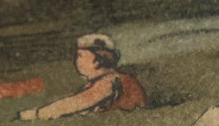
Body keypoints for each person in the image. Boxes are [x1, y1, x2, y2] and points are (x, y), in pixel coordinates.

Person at [19, 34, 147, 120]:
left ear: (97, 59)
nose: (76, 61)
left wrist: (37, 114)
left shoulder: (110, 81)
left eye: (80, 56)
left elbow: (77, 103)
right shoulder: (106, 80)